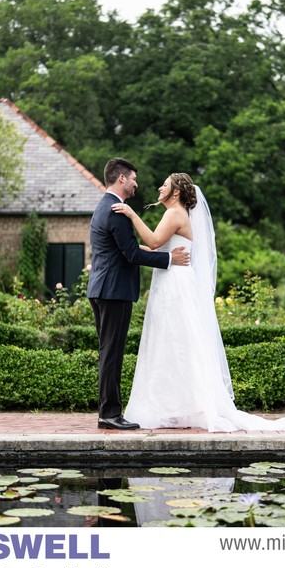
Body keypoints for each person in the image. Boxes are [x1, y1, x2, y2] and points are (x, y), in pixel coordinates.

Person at [113, 173, 285, 432]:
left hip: (174, 285)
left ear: (176, 192)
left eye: (165, 184)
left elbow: (155, 241)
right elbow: (159, 249)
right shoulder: (177, 214)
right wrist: (132, 251)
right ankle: (178, 407)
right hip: (174, 280)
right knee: (176, 343)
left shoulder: (174, 213)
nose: (160, 187)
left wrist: (131, 214)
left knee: (175, 340)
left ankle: (174, 407)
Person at [88, 158, 190, 431]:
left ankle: (106, 412)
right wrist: (169, 259)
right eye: (133, 178)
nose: (136, 183)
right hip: (114, 290)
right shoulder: (117, 211)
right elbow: (132, 254)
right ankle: (110, 414)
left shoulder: (103, 207)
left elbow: (125, 250)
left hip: (102, 288)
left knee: (108, 352)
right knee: (112, 353)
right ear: (121, 179)